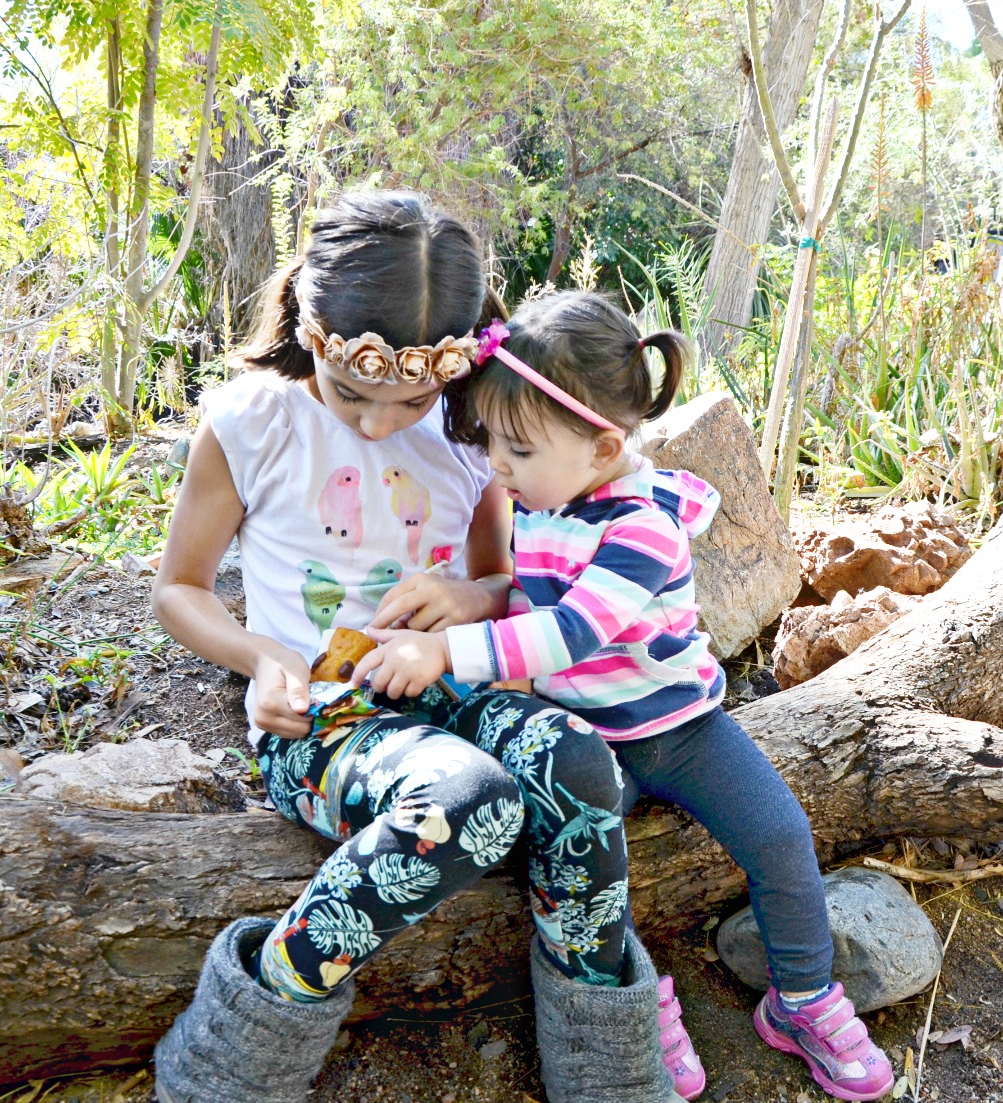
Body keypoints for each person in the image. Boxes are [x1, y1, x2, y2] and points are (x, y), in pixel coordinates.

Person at [150, 194, 684, 1103]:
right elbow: (179, 589)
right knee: (465, 800)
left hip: (452, 684)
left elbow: (500, 578)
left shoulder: (476, 432)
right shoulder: (252, 421)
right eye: (351, 394)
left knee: (577, 759)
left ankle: (604, 1064)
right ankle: (236, 1049)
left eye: (411, 400)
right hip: (324, 718)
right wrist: (262, 658)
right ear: (312, 335)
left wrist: (466, 597)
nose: (377, 424)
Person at [354, 290, 897, 1103]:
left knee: (780, 834)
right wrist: (468, 605)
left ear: (604, 446)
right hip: (579, 743)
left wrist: (445, 652)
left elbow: (571, 631)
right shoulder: (542, 500)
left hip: (680, 729)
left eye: (517, 448)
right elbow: (526, 596)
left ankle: (803, 994)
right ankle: (637, 1000)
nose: (497, 464)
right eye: (493, 442)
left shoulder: (642, 525)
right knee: (584, 864)